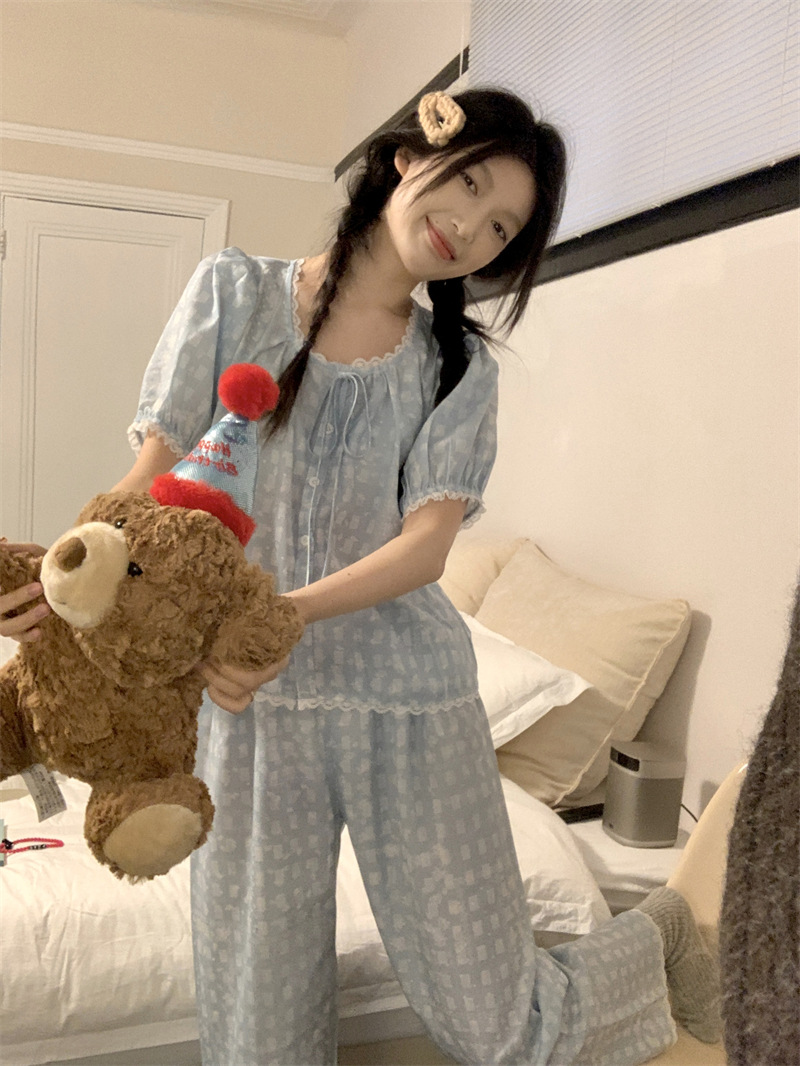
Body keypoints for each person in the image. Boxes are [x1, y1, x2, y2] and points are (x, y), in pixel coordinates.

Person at [1, 88, 720, 1065]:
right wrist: (65, 582)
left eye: (501, 227)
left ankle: (654, 940)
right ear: (406, 158)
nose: (470, 226)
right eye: (469, 184)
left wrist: (272, 620)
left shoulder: (457, 369)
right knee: (258, 1022)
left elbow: (426, 548)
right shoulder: (233, 294)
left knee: (494, 1020)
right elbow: (153, 479)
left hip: (407, 705)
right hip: (248, 714)